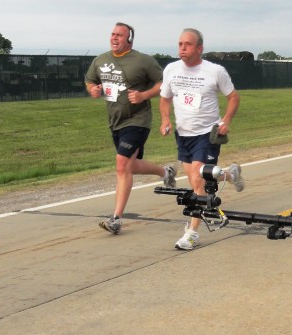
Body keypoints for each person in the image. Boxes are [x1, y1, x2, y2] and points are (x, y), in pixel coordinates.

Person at [85, 22, 177, 235]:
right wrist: (93, 89)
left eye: (119, 35)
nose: (114, 38)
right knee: (129, 165)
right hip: (115, 121)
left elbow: (163, 83)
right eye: (112, 34)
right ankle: (166, 172)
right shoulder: (101, 60)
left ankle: (116, 219)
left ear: (129, 39)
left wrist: (144, 95)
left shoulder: (143, 60)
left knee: (121, 164)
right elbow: (90, 81)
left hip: (138, 120)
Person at [159, 28, 244, 251]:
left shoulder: (215, 71)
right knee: (198, 180)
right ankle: (230, 174)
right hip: (183, 134)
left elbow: (233, 97)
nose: (182, 48)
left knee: (198, 178)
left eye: (187, 44)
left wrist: (226, 119)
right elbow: (165, 98)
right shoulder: (171, 70)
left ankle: (193, 232)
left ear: (199, 48)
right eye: (179, 44)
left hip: (207, 133)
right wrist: (165, 119)